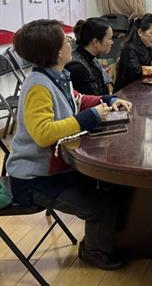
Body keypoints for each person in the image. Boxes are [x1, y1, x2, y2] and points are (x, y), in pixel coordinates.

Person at [5, 19, 132, 270]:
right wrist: (91, 116)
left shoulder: (57, 76)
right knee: (101, 206)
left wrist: (107, 100)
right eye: (66, 41)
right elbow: (43, 134)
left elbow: (77, 99)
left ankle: (106, 239)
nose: (70, 43)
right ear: (54, 52)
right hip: (34, 179)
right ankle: (93, 250)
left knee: (111, 187)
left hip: (57, 169)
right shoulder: (38, 86)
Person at [114, 13, 152, 91]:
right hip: (125, 93)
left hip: (140, 89)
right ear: (140, 32)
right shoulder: (129, 48)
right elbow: (136, 71)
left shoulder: (147, 47)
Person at [65, 18, 115, 95]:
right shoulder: (77, 68)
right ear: (95, 42)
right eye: (110, 39)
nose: (112, 42)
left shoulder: (92, 58)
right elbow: (91, 98)